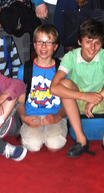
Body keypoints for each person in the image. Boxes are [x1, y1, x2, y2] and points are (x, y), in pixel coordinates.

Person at [50, 19, 104, 161]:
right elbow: (53, 88)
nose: (92, 48)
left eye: (97, 43)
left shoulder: (103, 55)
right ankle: (81, 140)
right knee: (64, 83)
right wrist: (85, 97)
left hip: (102, 100)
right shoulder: (70, 57)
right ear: (79, 42)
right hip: (80, 101)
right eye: (88, 41)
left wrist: (97, 97)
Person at [17, 24, 67, 153]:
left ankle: (52, 132)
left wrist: (58, 116)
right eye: (40, 42)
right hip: (32, 115)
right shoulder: (25, 69)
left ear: (55, 46)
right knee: (33, 146)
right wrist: (24, 117)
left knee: (54, 145)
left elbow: (68, 102)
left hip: (55, 114)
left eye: (48, 43)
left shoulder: (62, 69)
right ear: (34, 45)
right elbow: (20, 102)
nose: (43, 46)